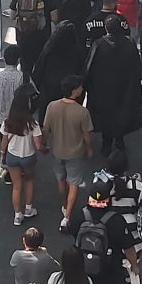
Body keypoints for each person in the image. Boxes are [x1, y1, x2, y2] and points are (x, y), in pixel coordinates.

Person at [69, 174, 139, 284]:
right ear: (108, 199)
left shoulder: (78, 215)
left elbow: (73, 234)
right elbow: (129, 248)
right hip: (110, 272)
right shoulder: (116, 220)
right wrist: (134, 266)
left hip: (83, 269)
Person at [85, 16, 142, 157]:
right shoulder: (129, 44)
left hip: (103, 89)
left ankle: (106, 143)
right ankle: (119, 140)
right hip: (124, 88)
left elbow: (89, 68)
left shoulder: (99, 44)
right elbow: (137, 67)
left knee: (106, 116)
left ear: (106, 29)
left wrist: (86, 83)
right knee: (122, 113)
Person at [42, 75, 94, 230]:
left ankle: (65, 205)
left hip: (57, 150)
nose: (82, 89)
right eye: (79, 87)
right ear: (74, 91)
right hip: (75, 153)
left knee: (61, 180)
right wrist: (89, 148)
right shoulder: (82, 112)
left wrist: (44, 144)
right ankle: (67, 217)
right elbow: (87, 135)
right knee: (74, 183)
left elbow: (46, 129)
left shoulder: (52, 106)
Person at [0, 85, 44, 226]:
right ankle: (29, 209)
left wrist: (2, 155)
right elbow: (38, 145)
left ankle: (17, 215)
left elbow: (4, 141)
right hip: (29, 157)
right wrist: (44, 148)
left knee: (16, 186)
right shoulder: (33, 123)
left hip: (12, 157)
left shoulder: (8, 121)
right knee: (29, 182)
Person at [104, 148, 142, 259]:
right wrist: (139, 182)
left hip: (108, 233)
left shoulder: (102, 185)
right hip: (133, 235)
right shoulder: (136, 186)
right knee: (131, 266)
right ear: (125, 167)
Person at [8, 0, 55, 82]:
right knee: (41, 66)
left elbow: (12, 16)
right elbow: (55, 17)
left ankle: (25, 89)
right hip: (41, 37)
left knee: (25, 67)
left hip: (23, 37)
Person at [32, 22, 84, 122]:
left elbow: (40, 65)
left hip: (49, 86)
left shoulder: (50, 46)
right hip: (68, 87)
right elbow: (81, 69)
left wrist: (36, 84)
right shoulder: (77, 49)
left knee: (46, 113)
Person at [0, 44, 23, 134]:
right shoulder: (23, 77)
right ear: (18, 60)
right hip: (19, 117)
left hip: (2, 117)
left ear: (4, 59)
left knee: (3, 140)